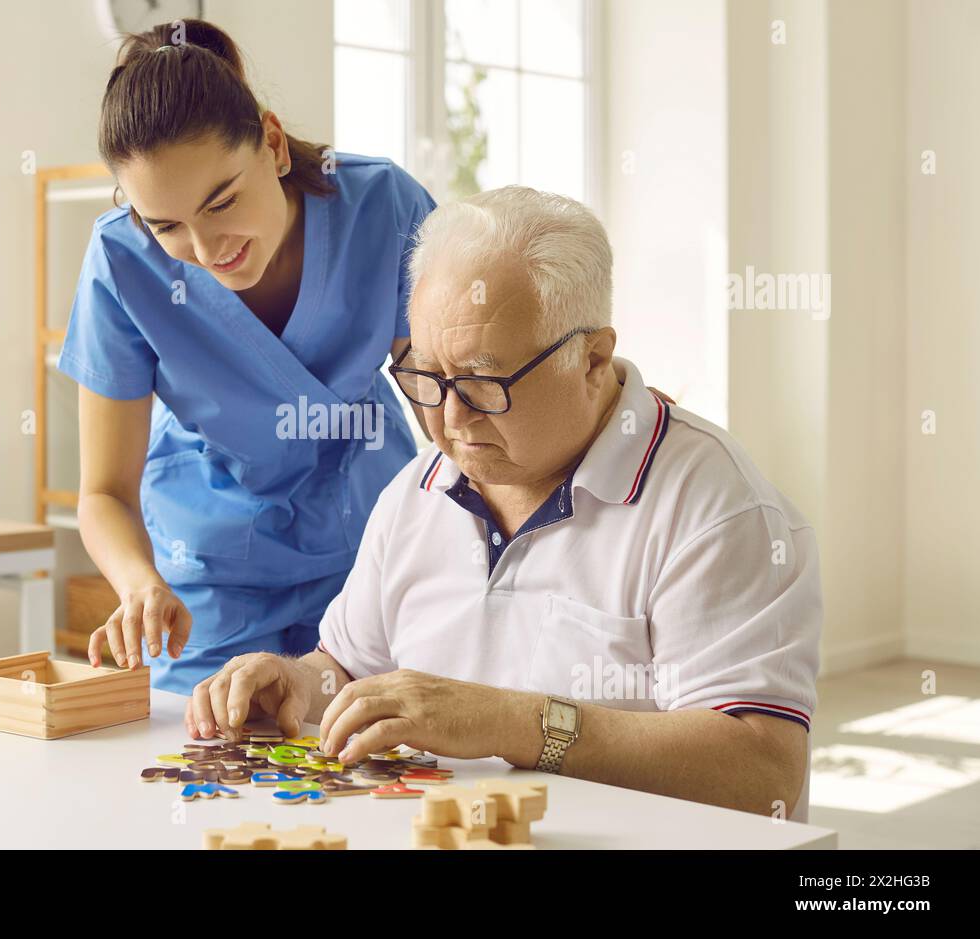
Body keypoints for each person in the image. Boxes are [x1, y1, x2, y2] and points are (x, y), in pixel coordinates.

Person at [185, 188, 822, 819]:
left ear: (592, 357)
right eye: (426, 378)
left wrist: (512, 722)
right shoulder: (417, 489)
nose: (450, 419)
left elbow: (761, 770)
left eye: (485, 383)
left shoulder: (716, 507)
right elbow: (350, 670)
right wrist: (291, 685)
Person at [58, 19, 436, 693]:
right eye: (167, 225)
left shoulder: (384, 207)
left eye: (222, 201)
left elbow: (452, 413)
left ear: (271, 141)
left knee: (379, 759)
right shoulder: (121, 261)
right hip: (212, 574)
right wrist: (140, 584)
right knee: (211, 753)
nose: (207, 249)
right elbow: (104, 493)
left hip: (372, 550)